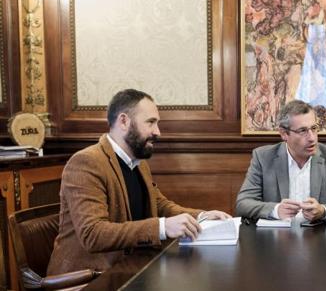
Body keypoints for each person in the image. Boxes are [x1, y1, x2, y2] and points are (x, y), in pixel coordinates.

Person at [47, 89, 231, 275]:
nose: (157, 132)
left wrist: (201, 217)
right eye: (150, 122)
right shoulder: (86, 162)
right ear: (124, 121)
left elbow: (159, 204)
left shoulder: (138, 163)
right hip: (87, 279)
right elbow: (93, 234)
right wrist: (162, 227)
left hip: (131, 269)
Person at [235, 100, 326, 222]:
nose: (312, 138)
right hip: (277, 238)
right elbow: (243, 203)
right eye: (302, 131)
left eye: (314, 128)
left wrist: (323, 211)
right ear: (284, 133)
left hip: (319, 237)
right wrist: (276, 210)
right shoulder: (263, 157)